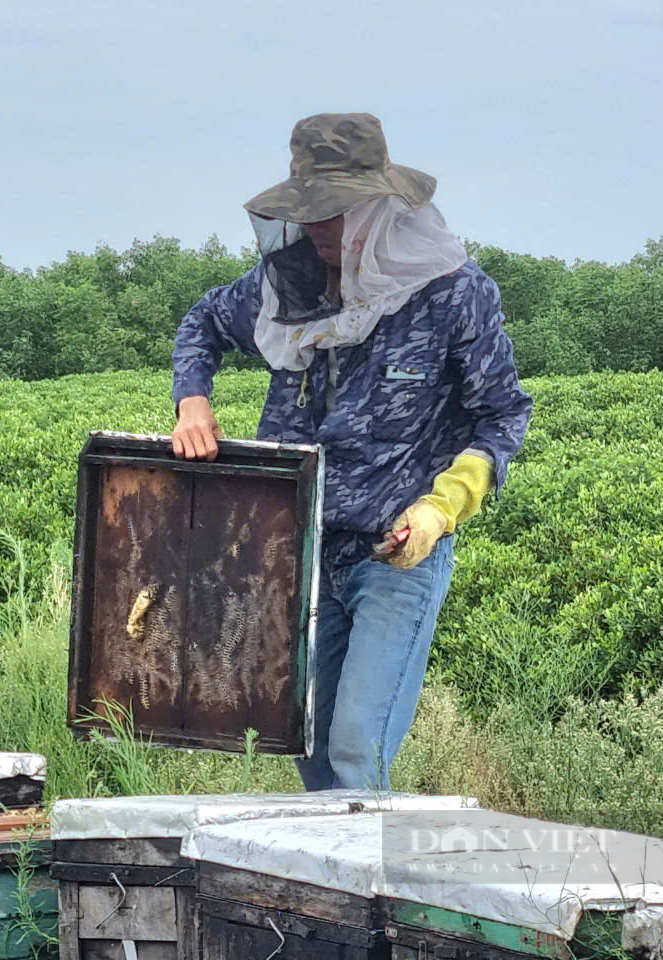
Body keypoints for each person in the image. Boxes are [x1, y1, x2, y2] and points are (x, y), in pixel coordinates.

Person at [171, 112, 532, 791]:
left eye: (334, 215)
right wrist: (193, 400)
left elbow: (503, 415)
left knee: (357, 748)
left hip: (392, 554)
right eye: (310, 213)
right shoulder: (285, 285)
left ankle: (371, 894)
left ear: (379, 208)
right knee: (306, 743)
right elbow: (202, 324)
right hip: (295, 550)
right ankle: (335, 893)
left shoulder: (455, 293)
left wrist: (443, 505)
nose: (317, 231)